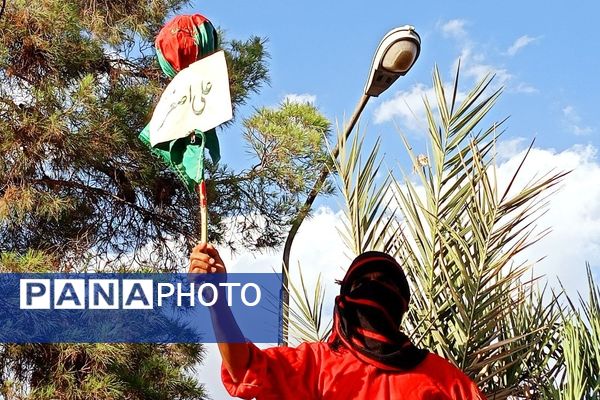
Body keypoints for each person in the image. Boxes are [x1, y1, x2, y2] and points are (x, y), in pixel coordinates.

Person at [189, 243, 485, 400]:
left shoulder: (447, 383)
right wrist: (216, 301)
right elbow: (244, 368)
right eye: (361, 283)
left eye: (383, 282)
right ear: (344, 298)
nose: (372, 290)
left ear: (401, 304)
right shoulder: (312, 366)